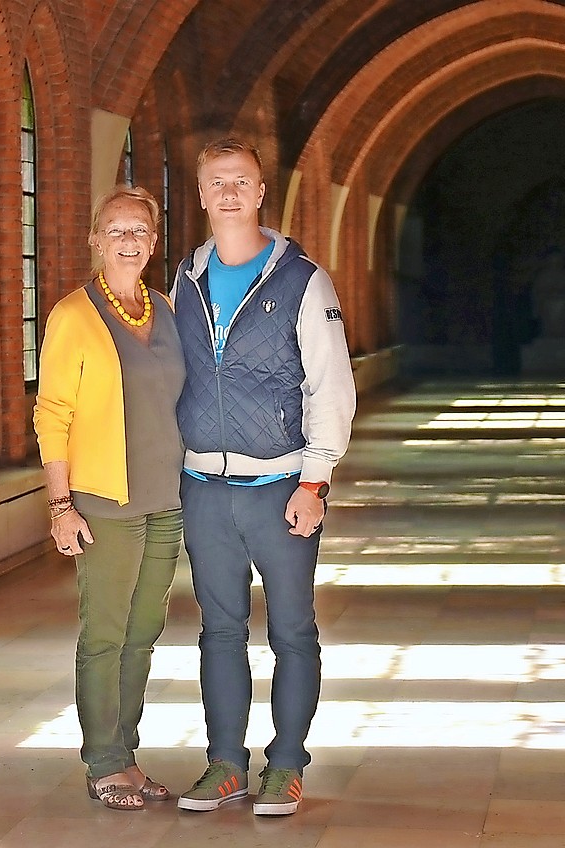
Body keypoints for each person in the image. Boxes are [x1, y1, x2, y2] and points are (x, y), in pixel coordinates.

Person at [171, 138, 356, 816]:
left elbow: (331, 383)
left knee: (291, 632)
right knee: (219, 630)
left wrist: (315, 480)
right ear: (200, 196)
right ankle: (225, 763)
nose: (228, 193)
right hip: (204, 488)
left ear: (259, 194)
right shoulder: (184, 282)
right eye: (215, 182)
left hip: (281, 488)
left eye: (240, 182)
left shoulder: (302, 280)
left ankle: (286, 765)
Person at [33, 186, 186, 812]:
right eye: (116, 229)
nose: (129, 240)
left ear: (153, 241)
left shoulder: (170, 310)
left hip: (168, 498)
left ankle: (128, 754)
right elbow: (53, 412)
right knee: (105, 632)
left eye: (140, 231)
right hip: (104, 500)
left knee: (144, 631)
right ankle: (103, 763)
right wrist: (60, 503)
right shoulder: (73, 315)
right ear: (96, 239)